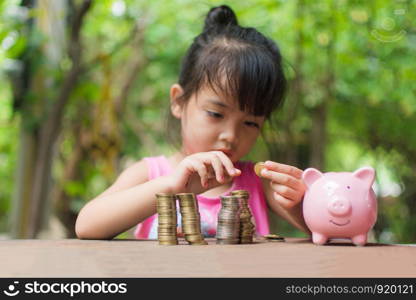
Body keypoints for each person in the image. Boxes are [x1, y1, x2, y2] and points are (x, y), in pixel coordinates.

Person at [75, 5, 310, 240]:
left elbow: (325, 228)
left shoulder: (258, 182)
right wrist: (171, 186)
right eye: (216, 114)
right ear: (178, 101)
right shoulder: (150, 174)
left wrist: (298, 202)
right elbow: (86, 225)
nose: (230, 135)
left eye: (250, 123)